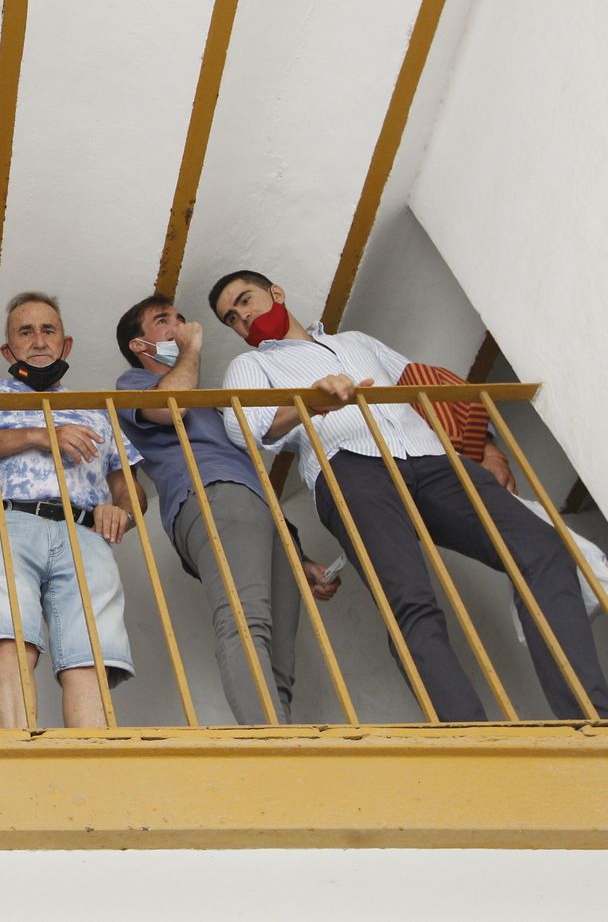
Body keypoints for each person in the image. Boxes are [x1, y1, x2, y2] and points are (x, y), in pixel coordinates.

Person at [210, 269, 608, 721]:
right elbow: (244, 430)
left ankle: (589, 714)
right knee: (410, 599)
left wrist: (487, 445)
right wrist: (311, 402)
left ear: (276, 293)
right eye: (232, 318)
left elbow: (430, 385)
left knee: (543, 547)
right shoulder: (252, 365)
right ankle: (469, 736)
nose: (243, 317)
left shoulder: (359, 341)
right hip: (350, 472)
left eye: (246, 301)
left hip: (434, 460)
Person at [114, 293, 339, 724]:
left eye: (182, 318)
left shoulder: (208, 402)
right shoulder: (132, 385)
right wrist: (192, 347)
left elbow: (252, 472)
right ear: (141, 347)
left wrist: (297, 551)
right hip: (210, 493)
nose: (180, 325)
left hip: (260, 512)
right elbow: (169, 406)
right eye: (165, 321)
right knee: (245, 622)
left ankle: (282, 751)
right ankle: (273, 749)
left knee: (279, 658)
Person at [0, 291, 144, 728]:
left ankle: (92, 771)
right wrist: (39, 433)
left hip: (84, 531)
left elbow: (130, 489)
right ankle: (18, 760)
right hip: (1, 522)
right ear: (9, 350)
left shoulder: (94, 411)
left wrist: (120, 510)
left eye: (48, 330)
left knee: (90, 654)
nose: (38, 340)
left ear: (66, 344)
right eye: (25, 331)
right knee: (12, 642)